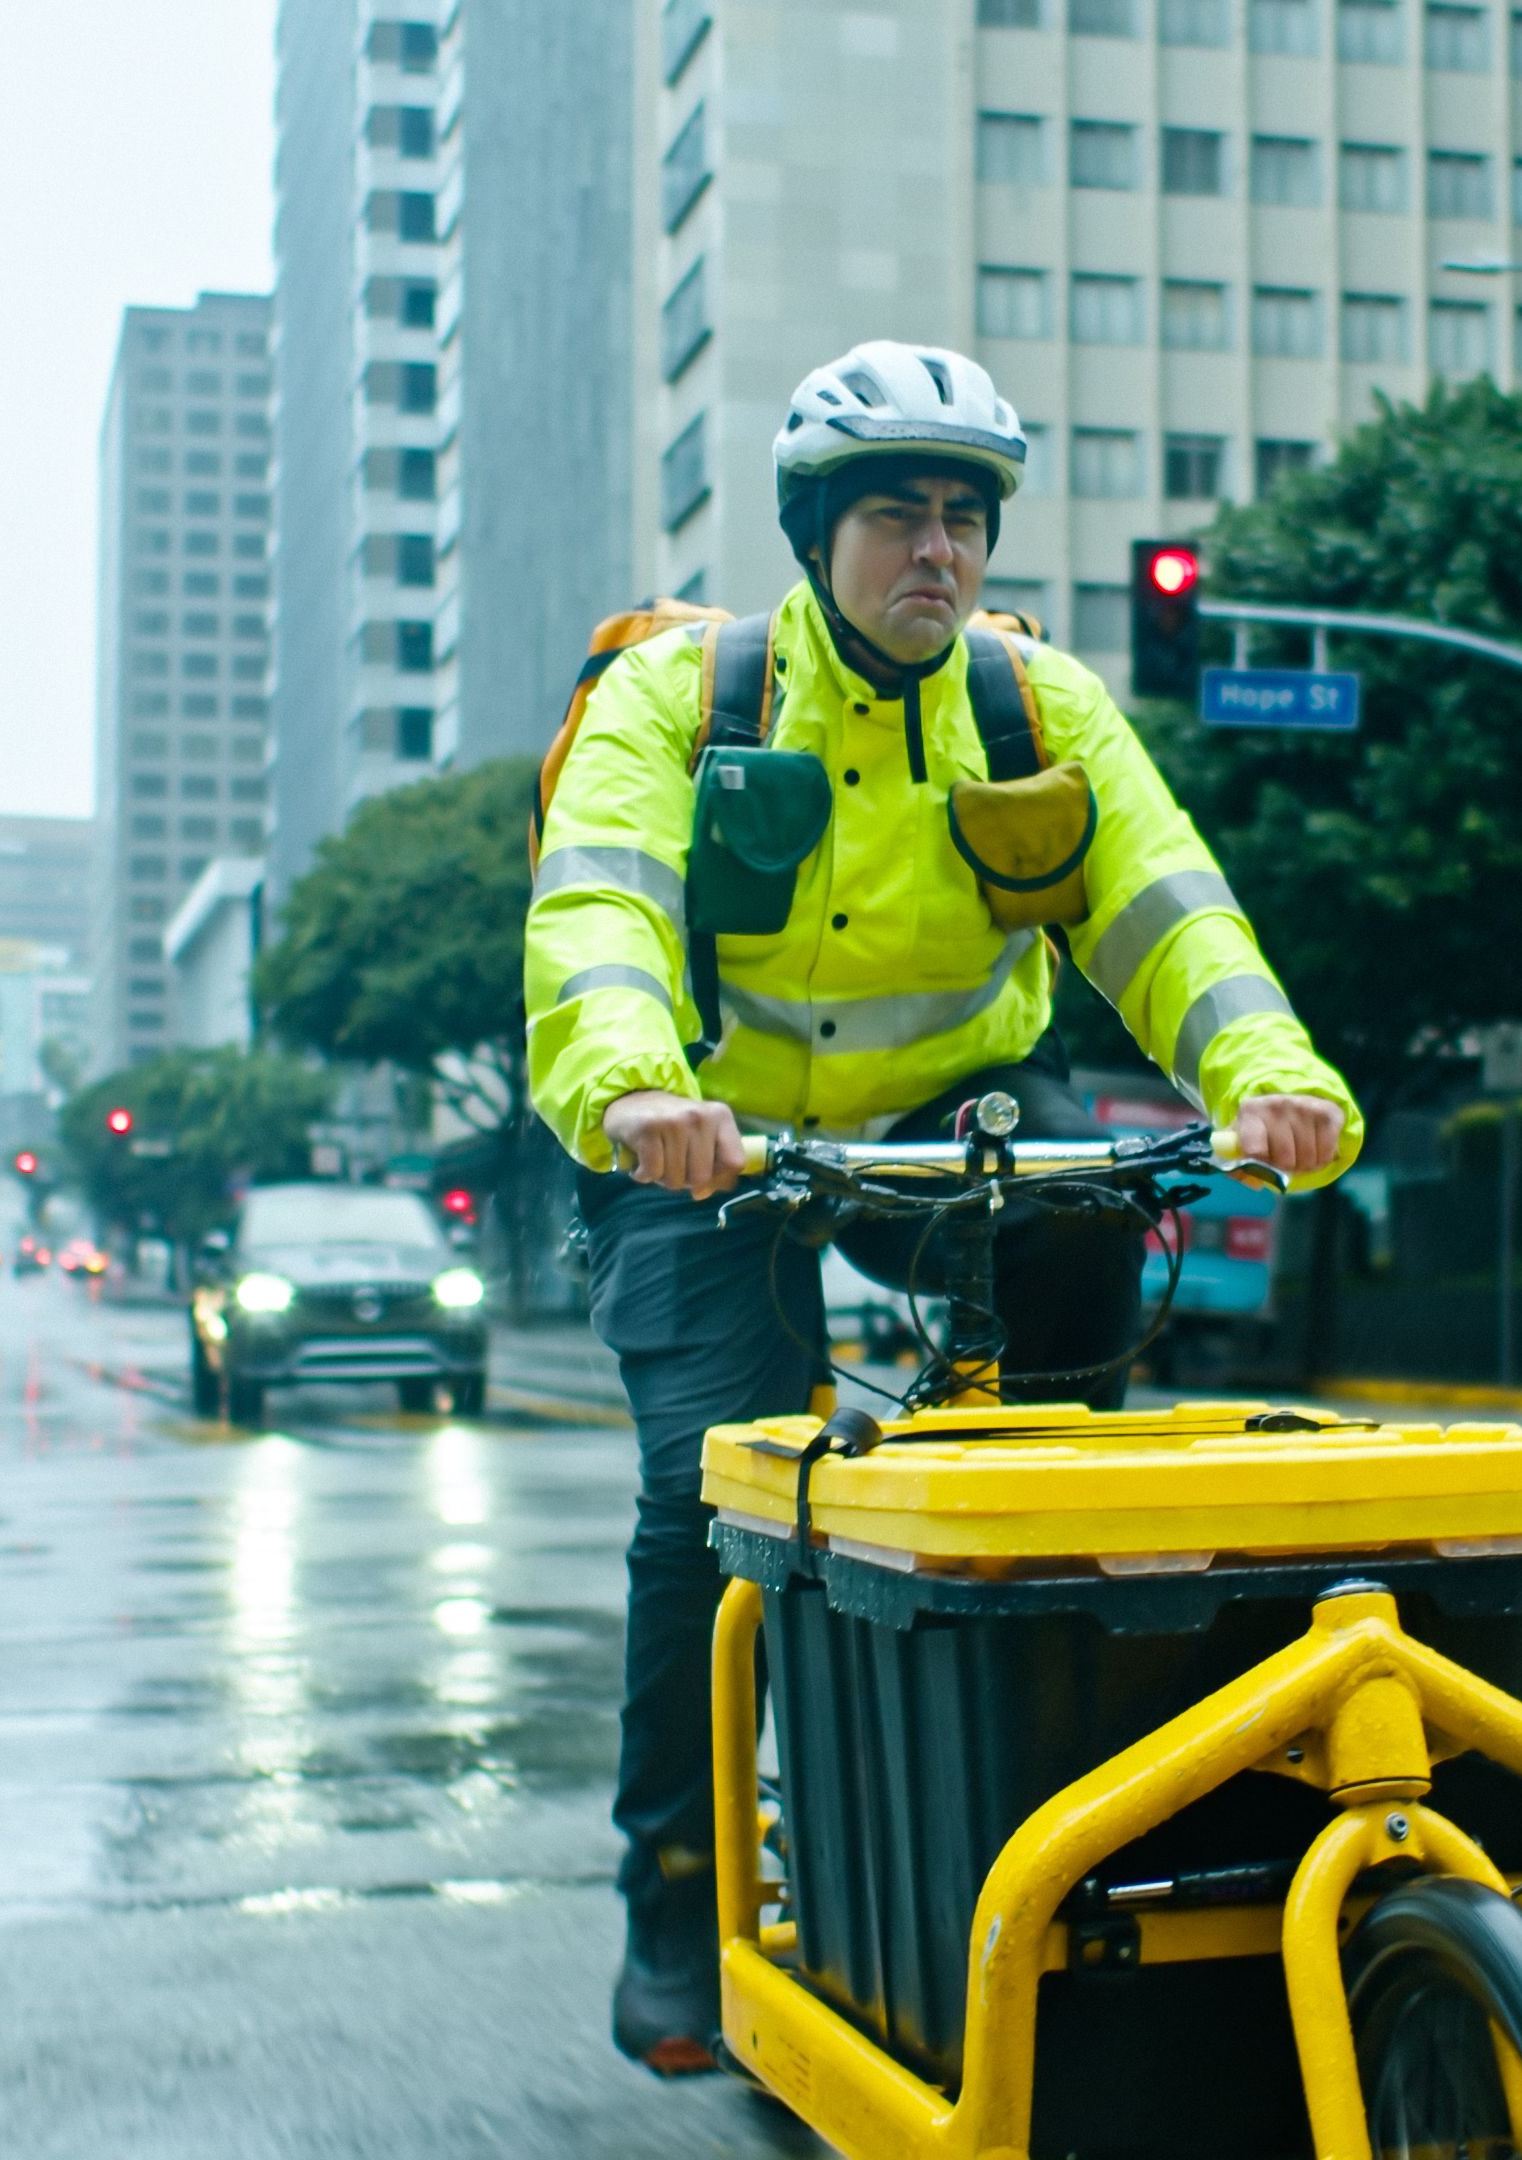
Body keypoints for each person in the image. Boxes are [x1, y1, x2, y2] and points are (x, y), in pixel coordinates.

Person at [522, 339, 1367, 2074]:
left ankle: (1048, 1789)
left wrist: (1269, 1079)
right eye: (899, 514)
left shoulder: (1034, 707)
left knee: (1074, 1332)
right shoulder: (683, 695)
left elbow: (1169, 908)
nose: (939, 552)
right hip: (714, 1143)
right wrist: (634, 1090)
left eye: (966, 518)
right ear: (814, 533)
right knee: (717, 1492)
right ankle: (679, 1897)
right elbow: (596, 909)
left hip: (949, 1118)